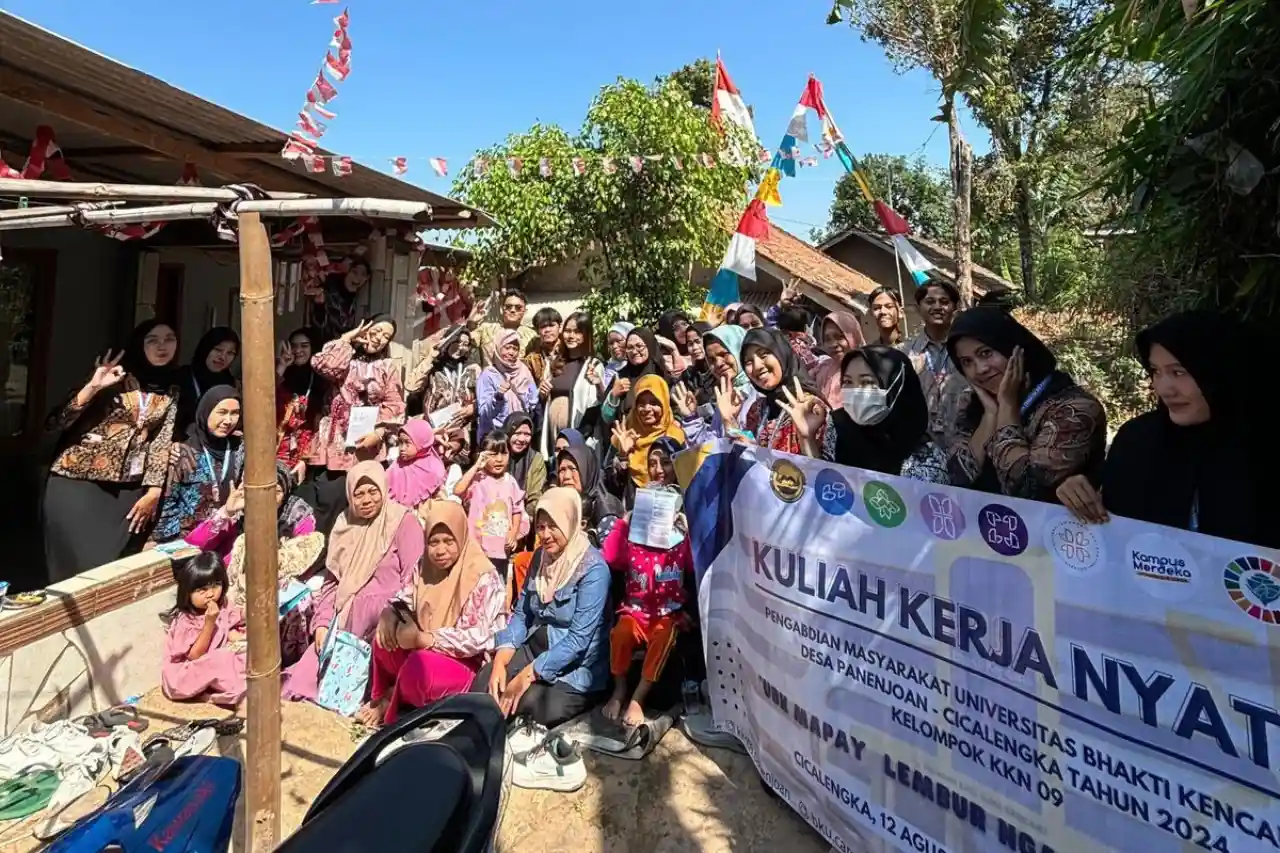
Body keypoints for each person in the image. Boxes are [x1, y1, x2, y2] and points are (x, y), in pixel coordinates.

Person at [1057, 311, 1277, 546]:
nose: (1164, 389)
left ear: (1222, 372)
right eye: (1156, 371)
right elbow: (1112, 540)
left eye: (1178, 372)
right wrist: (1078, 497)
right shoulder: (1138, 441)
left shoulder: (1265, 448)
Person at [472, 488, 609, 790]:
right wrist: (501, 659)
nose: (545, 534)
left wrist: (527, 675)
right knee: (486, 684)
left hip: (577, 668)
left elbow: (579, 640)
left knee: (528, 702)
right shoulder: (540, 559)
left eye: (553, 526)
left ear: (571, 522)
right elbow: (522, 615)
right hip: (539, 644)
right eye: (540, 526)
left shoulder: (594, 570)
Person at [43, 320, 180, 581]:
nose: (162, 347)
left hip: (126, 491)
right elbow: (55, 423)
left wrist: (154, 490)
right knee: (73, 571)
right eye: (153, 340)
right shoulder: (112, 375)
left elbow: (161, 440)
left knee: (106, 571)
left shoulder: (171, 389)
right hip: (77, 483)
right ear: (139, 343)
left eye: (169, 339)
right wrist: (93, 386)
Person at [282, 462, 423, 704]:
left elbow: (415, 579)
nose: (366, 500)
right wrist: (323, 623)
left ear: (383, 488)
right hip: (343, 619)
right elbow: (332, 581)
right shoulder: (345, 524)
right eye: (358, 494)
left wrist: (394, 614)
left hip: (384, 623)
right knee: (301, 684)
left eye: (372, 491)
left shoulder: (402, 521)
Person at [357, 501, 506, 727]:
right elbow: (405, 596)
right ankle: (382, 695)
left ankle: (392, 700)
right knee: (383, 639)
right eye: (433, 542)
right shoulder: (424, 565)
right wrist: (389, 612)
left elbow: (480, 638)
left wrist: (427, 640)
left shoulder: (483, 575)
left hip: (465, 663)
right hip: (422, 645)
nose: (440, 550)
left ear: (462, 536)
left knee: (420, 667)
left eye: (448, 541)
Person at [945, 307, 1106, 502]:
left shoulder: (1074, 409)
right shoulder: (975, 405)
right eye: (967, 362)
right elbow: (955, 480)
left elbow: (1025, 489)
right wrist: (990, 416)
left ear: (1013, 348)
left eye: (986, 353)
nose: (980, 369)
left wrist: (1007, 408)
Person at [600, 439, 692, 726]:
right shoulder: (637, 511)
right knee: (621, 634)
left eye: (665, 461)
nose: (658, 469)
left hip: (668, 612)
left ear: (677, 465)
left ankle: (639, 697)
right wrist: (625, 522)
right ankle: (619, 690)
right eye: (652, 462)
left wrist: (690, 535)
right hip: (635, 609)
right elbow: (612, 558)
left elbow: (694, 567)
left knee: (664, 635)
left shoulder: (686, 514)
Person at [309, 315, 406, 534]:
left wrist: (379, 433)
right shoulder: (346, 360)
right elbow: (321, 364)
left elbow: (395, 405)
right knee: (330, 501)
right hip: (337, 442)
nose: (380, 338)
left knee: (363, 506)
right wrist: (347, 339)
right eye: (378, 331)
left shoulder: (388, 366)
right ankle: (323, 555)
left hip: (368, 444)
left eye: (386, 337)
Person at [834, 347, 948, 482]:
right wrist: (808, 438)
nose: (855, 391)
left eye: (867, 382)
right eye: (847, 382)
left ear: (895, 388)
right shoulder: (836, 430)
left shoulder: (926, 458)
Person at [151, 386, 245, 546]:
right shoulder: (184, 452)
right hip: (189, 543)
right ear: (206, 411)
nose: (229, 420)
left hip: (228, 539)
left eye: (234, 413)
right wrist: (175, 545)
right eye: (222, 412)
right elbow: (167, 506)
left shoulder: (239, 448)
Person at [187, 461, 317, 567]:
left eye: (276, 491)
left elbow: (301, 561)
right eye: (261, 489)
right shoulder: (239, 511)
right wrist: (227, 511)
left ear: (286, 493)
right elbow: (194, 545)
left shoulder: (297, 515)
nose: (266, 497)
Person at [161, 551, 246, 707]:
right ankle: (215, 696)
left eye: (216, 586)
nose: (210, 594)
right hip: (184, 675)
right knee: (222, 659)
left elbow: (235, 618)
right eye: (202, 590)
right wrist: (210, 622)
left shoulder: (223, 604)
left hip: (210, 666)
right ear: (188, 593)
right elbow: (195, 655)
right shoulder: (186, 620)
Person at [737, 328, 836, 460]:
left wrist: (807, 439)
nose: (757, 366)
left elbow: (826, 473)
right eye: (748, 362)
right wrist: (729, 421)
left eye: (764, 354)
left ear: (782, 353)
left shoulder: (810, 406)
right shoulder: (757, 409)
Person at [454, 430, 529, 579]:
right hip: (478, 548)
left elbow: (517, 510)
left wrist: (513, 533)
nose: (499, 459)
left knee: (499, 586)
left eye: (504, 453)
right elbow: (458, 490)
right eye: (493, 455)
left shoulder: (510, 481)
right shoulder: (478, 480)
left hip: (501, 549)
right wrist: (476, 465)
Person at [900, 281, 965, 448]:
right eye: (930, 301)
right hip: (919, 449)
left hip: (965, 444)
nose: (937, 307)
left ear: (955, 308)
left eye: (944, 302)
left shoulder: (968, 350)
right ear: (918, 308)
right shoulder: (904, 353)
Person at [607, 375, 687, 505]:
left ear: (664, 403)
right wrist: (622, 457)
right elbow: (611, 488)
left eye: (654, 403)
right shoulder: (622, 437)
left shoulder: (677, 437)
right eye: (641, 403)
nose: (647, 409)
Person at [538, 312, 602, 458]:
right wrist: (541, 393)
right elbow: (543, 402)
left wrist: (577, 438)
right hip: (552, 438)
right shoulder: (554, 363)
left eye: (577, 331)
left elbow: (594, 408)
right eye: (567, 331)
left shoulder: (593, 366)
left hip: (578, 439)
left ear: (586, 335)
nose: (571, 336)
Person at [275, 327, 327, 484]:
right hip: (276, 445)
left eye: (304, 346)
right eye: (294, 345)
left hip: (305, 450)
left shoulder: (320, 379)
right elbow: (265, 394)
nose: (298, 350)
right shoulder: (280, 372)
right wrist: (282, 365)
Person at [174, 327, 240, 436]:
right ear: (205, 348)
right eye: (218, 349)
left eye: (230, 353)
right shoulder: (182, 377)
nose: (222, 357)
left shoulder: (233, 385)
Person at [476, 330, 539, 444]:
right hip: (497, 438)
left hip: (521, 437)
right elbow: (484, 412)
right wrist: (498, 396)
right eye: (507, 347)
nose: (511, 352)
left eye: (515, 349)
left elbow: (533, 401)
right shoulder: (489, 374)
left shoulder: (524, 371)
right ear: (498, 348)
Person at [555, 441, 624, 545]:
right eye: (562, 470)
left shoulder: (606, 513)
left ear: (587, 470)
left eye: (573, 469)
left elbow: (609, 557)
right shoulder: (558, 505)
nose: (566, 476)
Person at [405, 325, 479, 420]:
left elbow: (483, 398)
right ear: (448, 341)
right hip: (432, 426)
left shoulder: (472, 369)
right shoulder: (433, 366)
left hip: (459, 426)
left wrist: (472, 407)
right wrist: (432, 355)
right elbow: (411, 386)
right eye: (457, 342)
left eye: (465, 344)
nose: (460, 347)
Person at [601, 328, 666, 424]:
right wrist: (613, 396)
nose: (634, 351)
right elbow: (606, 418)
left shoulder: (662, 373)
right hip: (628, 435)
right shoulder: (621, 377)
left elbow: (677, 409)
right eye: (630, 347)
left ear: (649, 346)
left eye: (639, 346)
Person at [386, 418, 447, 511]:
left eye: (407, 443)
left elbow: (441, 505)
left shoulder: (433, 470)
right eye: (400, 443)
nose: (402, 448)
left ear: (421, 442)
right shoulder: (396, 466)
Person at [813, 311, 868, 409]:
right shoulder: (823, 369)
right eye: (828, 339)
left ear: (854, 336)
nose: (833, 344)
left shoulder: (868, 370)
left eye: (839, 337)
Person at [472, 288, 536, 369]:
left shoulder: (532, 335)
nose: (513, 310)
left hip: (520, 380)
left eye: (518, 307)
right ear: (502, 309)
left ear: (525, 311)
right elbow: (467, 345)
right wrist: (471, 323)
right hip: (490, 379)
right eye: (508, 307)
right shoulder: (486, 329)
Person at [505, 413, 548, 529]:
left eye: (527, 434)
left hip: (526, 522)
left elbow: (536, 495)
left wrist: (522, 521)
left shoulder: (536, 459)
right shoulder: (499, 456)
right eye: (517, 433)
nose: (522, 439)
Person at [314, 259, 371, 344]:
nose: (358, 278)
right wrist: (319, 306)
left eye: (363, 275)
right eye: (354, 272)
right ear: (346, 273)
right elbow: (319, 325)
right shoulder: (327, 293)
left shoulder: (356, 300)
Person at [524, 307, 563, 388]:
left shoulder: (569, 352)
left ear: (560, 327)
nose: (547, 330)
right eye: (543, 327)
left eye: (551, 325)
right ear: (537, 331)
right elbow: (527, 388)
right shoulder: (532, 359)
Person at [601, 321, 635, 392]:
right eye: (611, 343)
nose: (614, 346)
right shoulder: (605, 369)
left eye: (619, 341)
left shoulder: (637, 367)